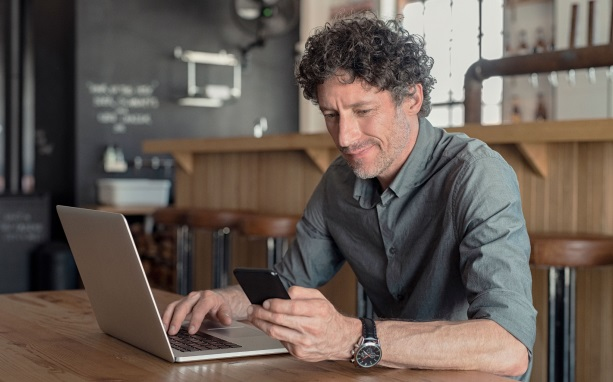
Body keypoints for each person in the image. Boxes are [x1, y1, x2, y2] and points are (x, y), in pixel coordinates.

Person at [163, 11, 536, 381]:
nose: (344, 137)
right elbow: (290, 281)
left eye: (363, 111)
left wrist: (352, 337)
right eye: (331, 115)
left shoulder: (477, 174)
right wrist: (223, 301)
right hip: (388, 371)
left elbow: (510, 348)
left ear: (412, 99)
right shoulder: (339, 181)